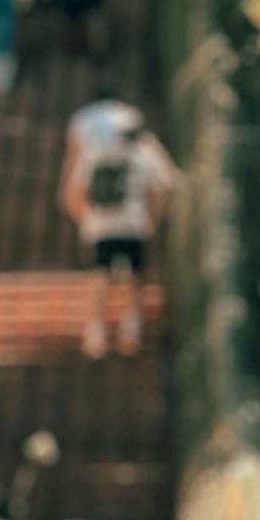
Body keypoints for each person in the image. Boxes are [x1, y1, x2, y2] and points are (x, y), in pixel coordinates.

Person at [59, 96, 175, 359]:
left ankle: (96, 330)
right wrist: (152, 219)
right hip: (134, 222)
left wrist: (84, 218)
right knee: (135, 275)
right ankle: (131, 327)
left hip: (100, 223)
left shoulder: (94, 152)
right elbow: (164, 185)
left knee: (100, 274)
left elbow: (74, 190)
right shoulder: (143, 153)